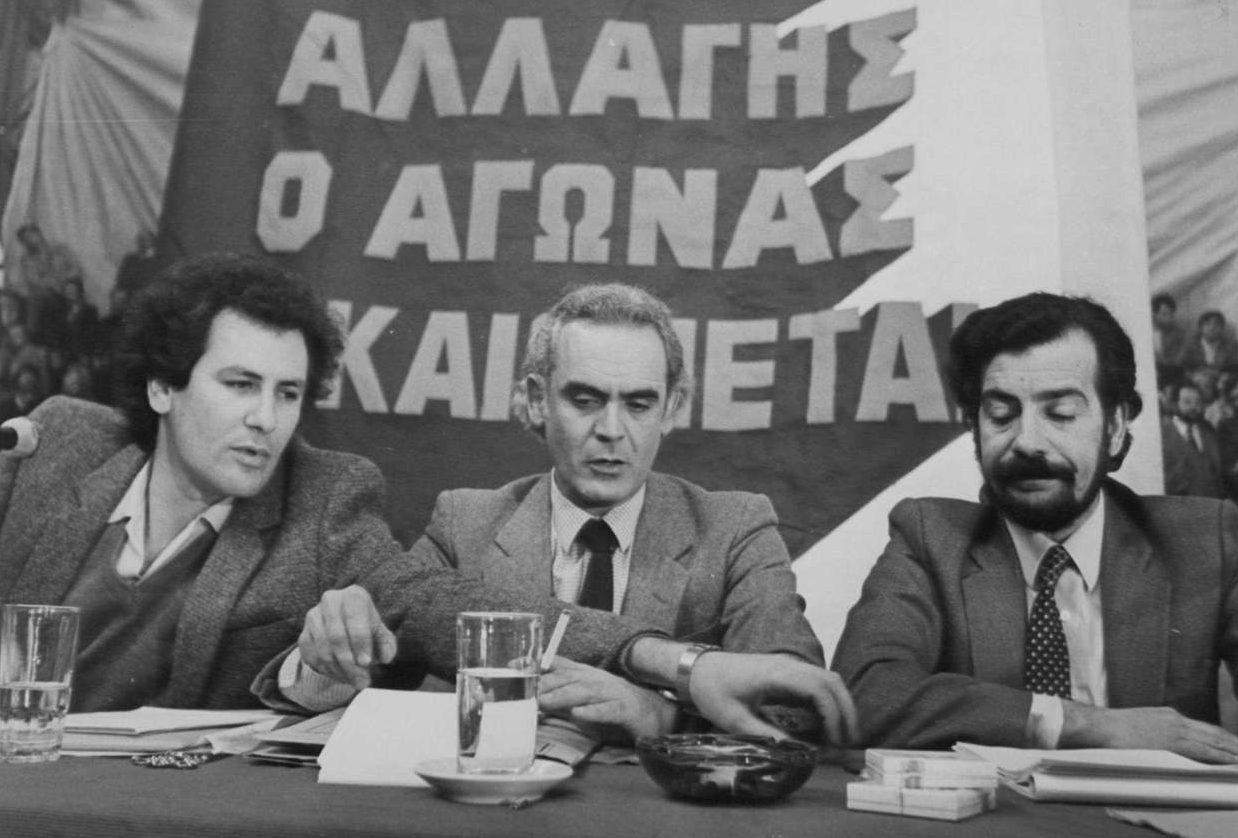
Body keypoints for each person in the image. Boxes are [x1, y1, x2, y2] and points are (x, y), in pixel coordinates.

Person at [0, 252, 855, 745]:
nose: (266, 420)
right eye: (239, 384)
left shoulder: (323, 499)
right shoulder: (54, 444)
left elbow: (440, 607)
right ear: (162, 386)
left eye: (289, 393)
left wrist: (675, 674)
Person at [398, 283, 823, 741]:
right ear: (538, 400)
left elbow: (798, 708)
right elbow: (379, 659)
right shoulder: (464, 523)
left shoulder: (734, 529)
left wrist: (665, 719)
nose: (611, 430)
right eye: (585, 401)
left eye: (639, 404)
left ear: (671, 408)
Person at [832, 292, 1238, 762]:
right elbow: (862, 696)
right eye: (1001, 416)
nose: (1027, 441)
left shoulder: (1207, 539)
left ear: (1114, 427)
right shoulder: (930, 536)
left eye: (1060, 414)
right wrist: (1082, 725)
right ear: (975, 428)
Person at [1160, 381, 1225, 498]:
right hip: (1179, 504)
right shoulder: (1162, 434)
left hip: (1211, 503)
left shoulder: (1208, 433)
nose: (1193, 407)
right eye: (1187, 402)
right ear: (1175, 404)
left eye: (1198, 402)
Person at [1150, 293, 1186, 371]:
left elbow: (1178, 360)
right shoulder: (1144, 331)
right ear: (1153, 315)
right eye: (1164, 314)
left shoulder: (1179, 333)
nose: (1169, 318)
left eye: (1171, 315)